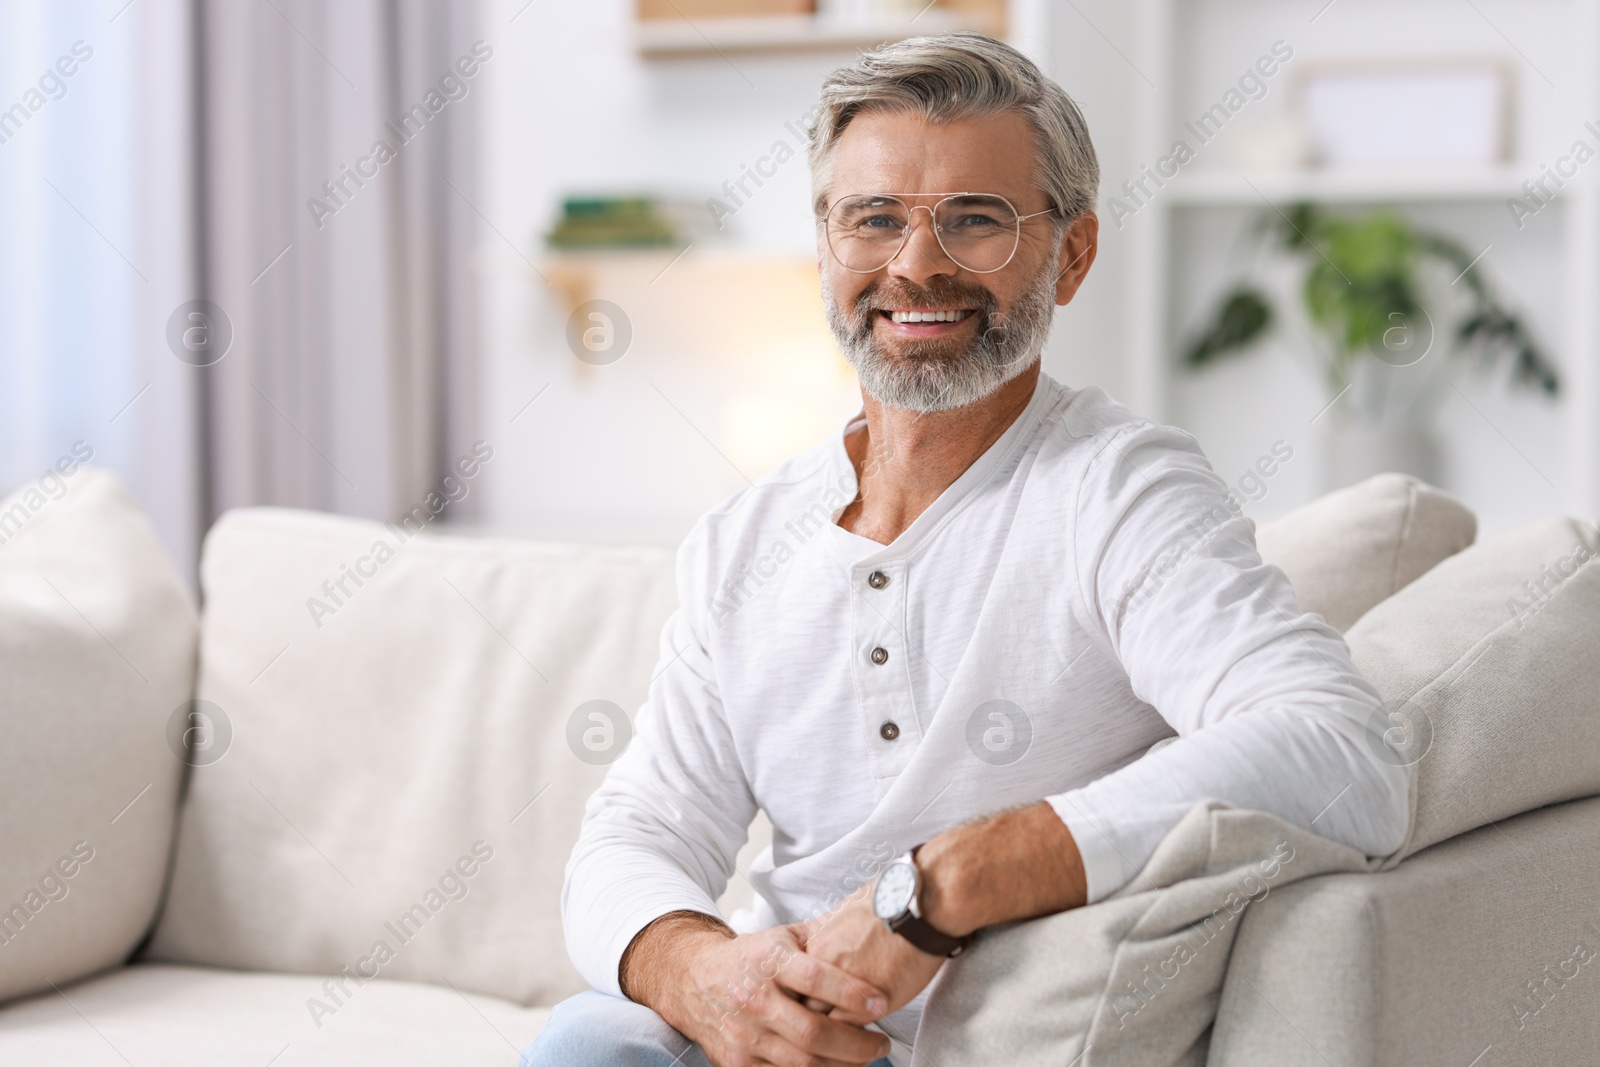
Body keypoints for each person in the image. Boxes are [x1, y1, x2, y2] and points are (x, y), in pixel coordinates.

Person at [521, 30, 1408, 1067]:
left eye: (975, 220)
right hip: (773, 1041)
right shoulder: (745, 539)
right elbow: (634, 834)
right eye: (874, 219)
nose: (915, 265)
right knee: (591, 1034)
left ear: (1069, 255)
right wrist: (701, 972)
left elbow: (1346, 758)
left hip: (995, 1042)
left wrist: (947, 879)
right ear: (825, 243)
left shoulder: (1118, 490)